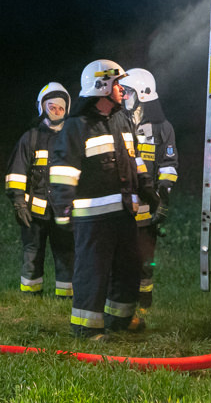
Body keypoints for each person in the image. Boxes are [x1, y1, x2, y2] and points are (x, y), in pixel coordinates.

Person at [49, 59, 158, 339]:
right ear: (103, 86)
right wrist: (62, 210)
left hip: (123, 211)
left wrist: (147, 188)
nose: (123, 89)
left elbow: (134, 158)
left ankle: (119, 320)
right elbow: (63, 172)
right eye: (118, 83)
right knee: (92, 272)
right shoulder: (77, 126)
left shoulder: (121, 118)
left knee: (128, 267)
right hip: (92, 216)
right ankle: (86, 328)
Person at [119, 68, 178, 325]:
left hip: (147, 206)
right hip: (120, 205)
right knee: (119, 256)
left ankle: (144, 302)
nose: (123, 97)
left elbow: (169, 164)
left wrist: (163, 197)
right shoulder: (117, 122)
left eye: (128, 92)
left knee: (145, 259)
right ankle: (119, 299)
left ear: (142, 94)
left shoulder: (163, 128)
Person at [5, 82, 74, 298]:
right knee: (32, 253)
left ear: (67, 110)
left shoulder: (73, 139)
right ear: (42, 107)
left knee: (66, 254)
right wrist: (18, 202)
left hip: (64, 211)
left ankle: (66, 297)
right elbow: (16, 173)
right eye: (51, 106)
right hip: (34, 212)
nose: (56, 111)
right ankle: (30, 297)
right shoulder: (31, 138)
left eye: (60, 108)